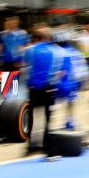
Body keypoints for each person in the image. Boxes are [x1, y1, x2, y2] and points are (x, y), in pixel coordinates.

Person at [23, 27, 66, 158]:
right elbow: (59, 72)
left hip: (33, 89)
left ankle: (30, 146)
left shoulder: (29, 50)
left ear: (37, 38)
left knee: (31, 117)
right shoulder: (58, 51)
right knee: (48, 119)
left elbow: (27, 68)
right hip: (49, 88)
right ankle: (48, 148)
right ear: (49, 37)